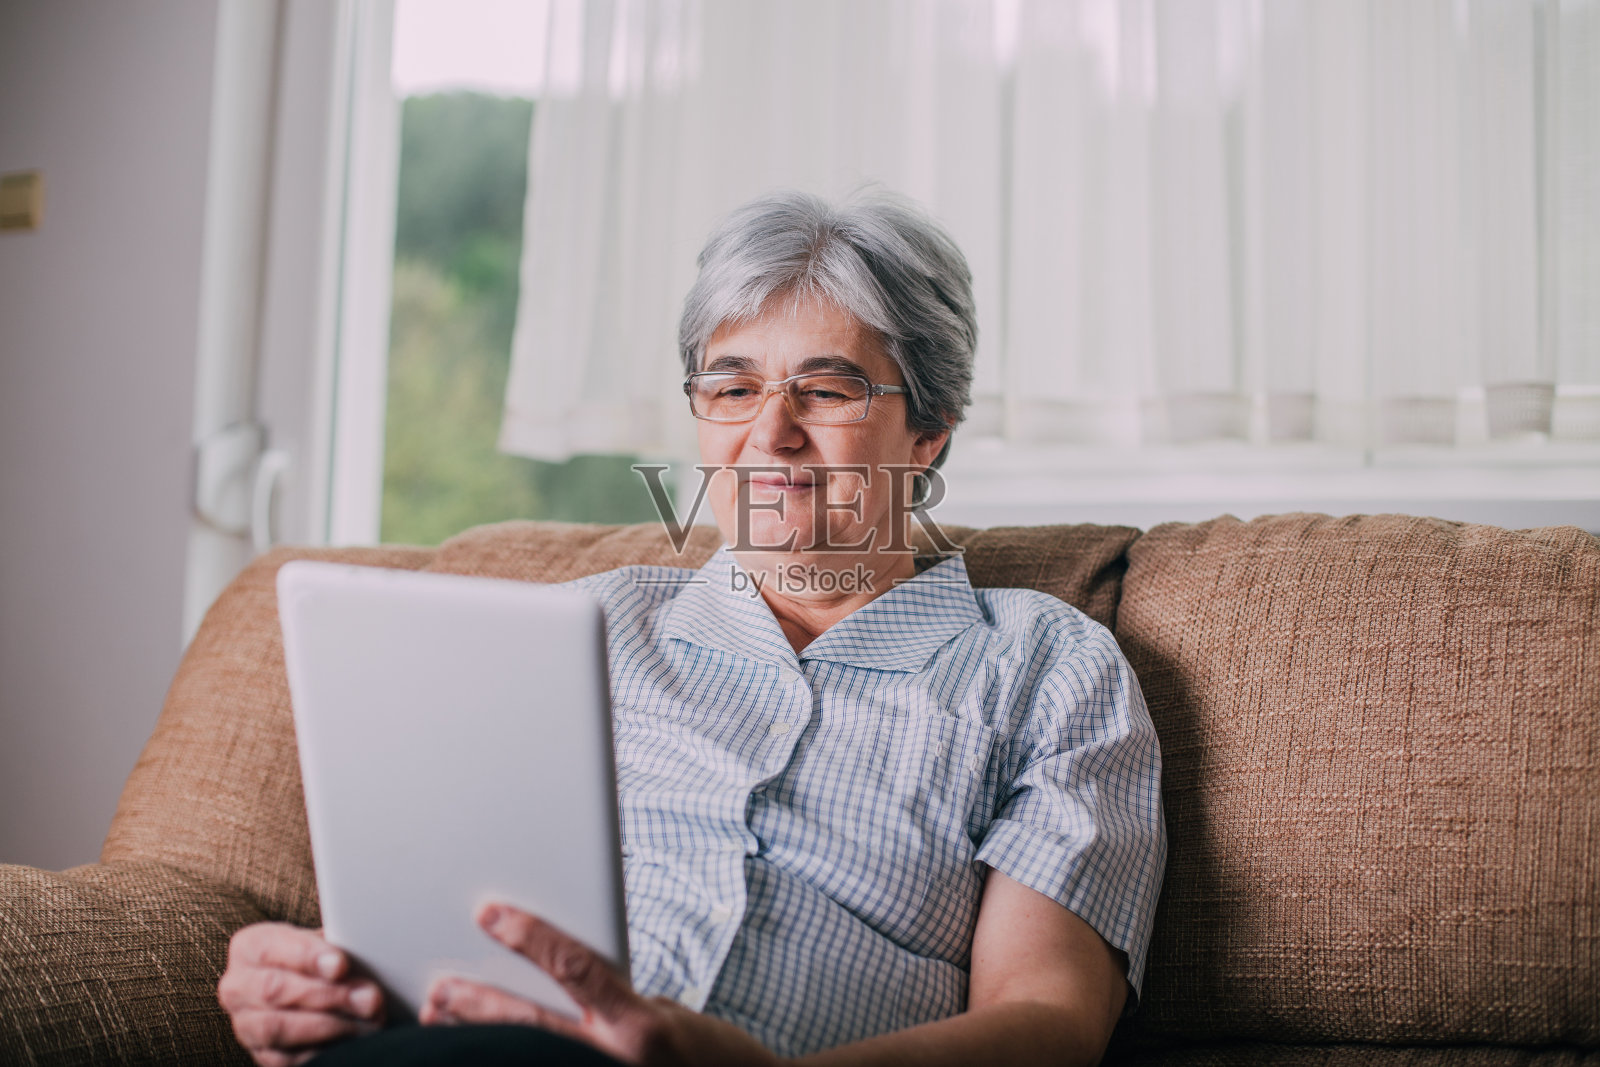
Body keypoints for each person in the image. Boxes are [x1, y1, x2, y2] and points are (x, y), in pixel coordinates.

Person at [218, 189, 1167, 1067]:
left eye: (827, 391)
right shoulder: (577, 629)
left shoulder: (1045, 664)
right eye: (733, 386)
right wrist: (309, 979)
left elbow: (1049, 1020)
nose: (772, 432)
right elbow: (416, 908)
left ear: (929, 434)